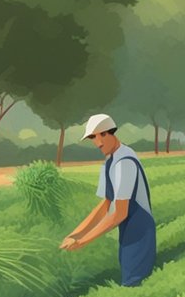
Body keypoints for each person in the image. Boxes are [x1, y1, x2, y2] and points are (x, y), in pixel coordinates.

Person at [61, 114, 156, 287]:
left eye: (102, 135)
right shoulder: (109, 162)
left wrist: (82, 242)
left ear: (112, 133)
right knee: (128, 272)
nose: (98, 143)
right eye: (93, 137)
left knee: (134, 282)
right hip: (127, 228)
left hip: (140, 228)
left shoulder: (124, 162)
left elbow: (119, 213)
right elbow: (105, 205)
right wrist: (76, 233)